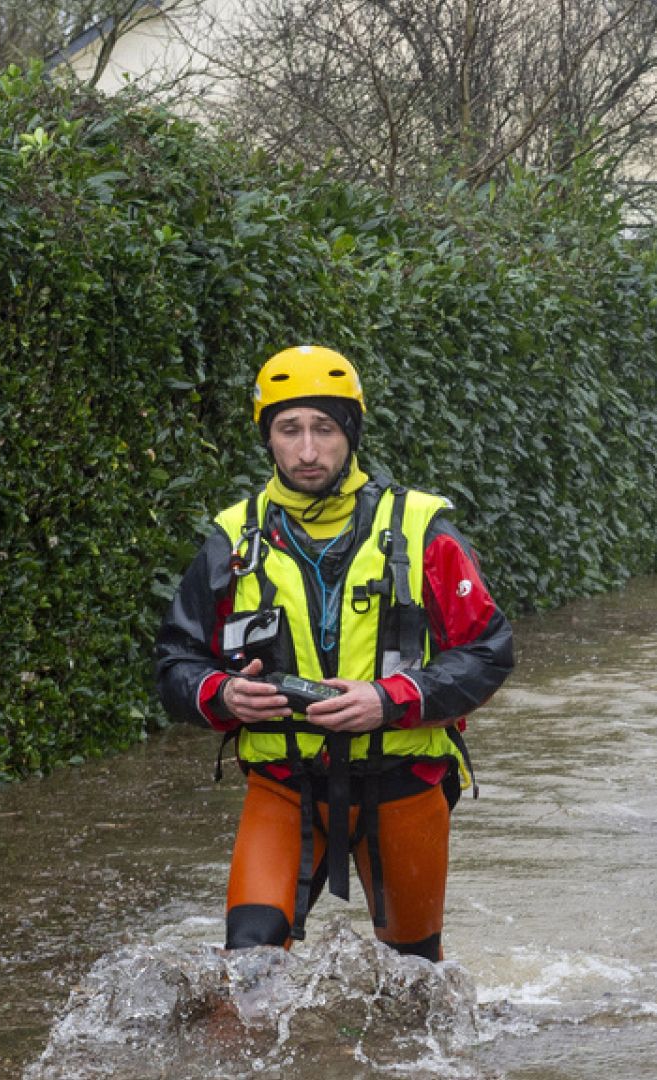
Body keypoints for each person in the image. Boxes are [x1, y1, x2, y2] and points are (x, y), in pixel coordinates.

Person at [155, 346, 514, 961]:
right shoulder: (231, 538)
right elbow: (175, 664)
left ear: (351, 432)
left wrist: (388, 700)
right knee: (247, 964)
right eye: (288, 430)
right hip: (283, 784)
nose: (308, 451)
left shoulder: (423, 529)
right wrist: (222, 694)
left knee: (414, 978)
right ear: (267, 437)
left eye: (324, 429)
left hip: (403, 782)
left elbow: (488, 650)